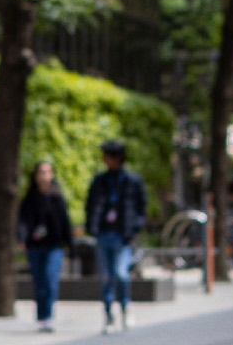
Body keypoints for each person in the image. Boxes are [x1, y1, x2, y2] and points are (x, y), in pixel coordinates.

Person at [84, 139, 147, 333]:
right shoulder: (100, 181)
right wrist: (92, 226)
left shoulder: (132, 181)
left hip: (123, 236)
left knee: (121, 274)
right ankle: (108, 313)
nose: (104, 160)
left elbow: (141, 206)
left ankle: (126, 305)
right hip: (103, 234)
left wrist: (135, 227)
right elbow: (91, 205)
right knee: (105, 276)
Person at [17, 161, 73, 333]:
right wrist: (22, 239)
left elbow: (65, 222)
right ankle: (42, 317)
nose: (44, 176)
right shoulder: (30, 198)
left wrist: (71, 245)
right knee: (39, 281)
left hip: (54, 246)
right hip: (35, 246)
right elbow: (22, 222)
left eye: (47, 172)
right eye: (41, 172)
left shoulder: (57, 198)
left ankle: (48, 315)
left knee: (50, 279)